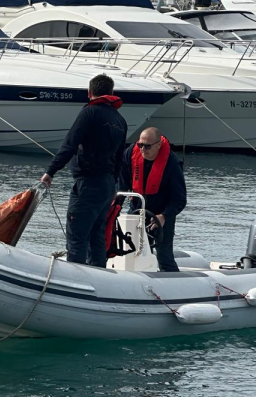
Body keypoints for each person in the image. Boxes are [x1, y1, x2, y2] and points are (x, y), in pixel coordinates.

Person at [41, 74, 128, 267]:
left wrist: (51, 171)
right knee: (97, 236)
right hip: (107, 185)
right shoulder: (120, 120)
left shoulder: (89, 113)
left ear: (89, 93)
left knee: (77, 236)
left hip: (88, 183)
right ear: (112, 93)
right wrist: (114, 184)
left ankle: (75, 280)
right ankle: (97, 276)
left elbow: (70, 144)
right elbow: (120, 159)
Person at [119, 127, 187, 272]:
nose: (143, 149)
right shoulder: (131, 154)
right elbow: (122, 185)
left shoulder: (172, 164)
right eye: (140, 145)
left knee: (164, 255)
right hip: (137, 209)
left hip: (162, 214)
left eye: (147, 146)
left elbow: (180, 200)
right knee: (131, 251)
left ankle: (172, 283)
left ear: (158, 145)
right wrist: (114, 208)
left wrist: (164, 216)